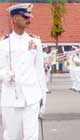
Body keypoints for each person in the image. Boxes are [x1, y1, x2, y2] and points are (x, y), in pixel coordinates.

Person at [0, 3, 47, 140]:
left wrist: (43, 97)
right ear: (14, 19)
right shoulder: (3, 44)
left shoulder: (35, 42)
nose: (28, 19)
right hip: (11, 97)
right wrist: (5, 74)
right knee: (12, 136)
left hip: (31, 97)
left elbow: (39, 72)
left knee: (31, 136)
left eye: (29, 16)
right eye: (24, 16)